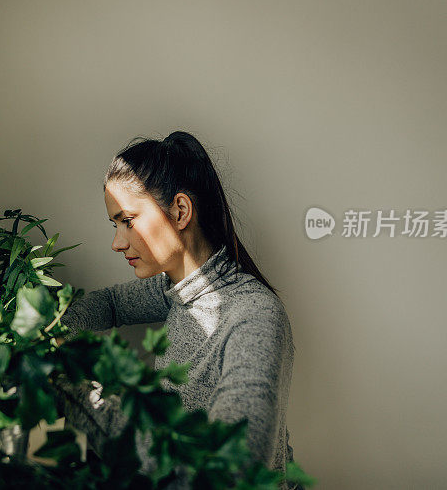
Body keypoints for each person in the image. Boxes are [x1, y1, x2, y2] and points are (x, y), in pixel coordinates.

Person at [55, 131, 298, 489]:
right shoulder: (176, 289)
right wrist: (57, 336)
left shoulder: (253, 316)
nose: (117, 243)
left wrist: (68, 386)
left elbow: (227, 468)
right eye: (115, 225)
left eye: (129, 221)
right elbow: (108, 303)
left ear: (181, 211)